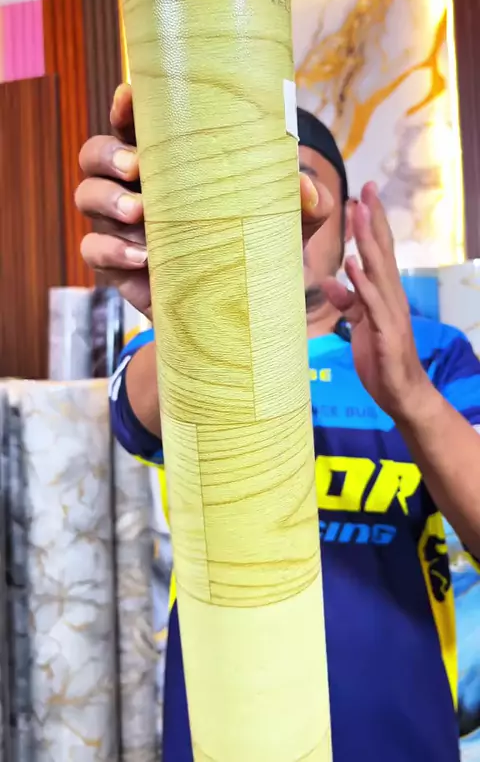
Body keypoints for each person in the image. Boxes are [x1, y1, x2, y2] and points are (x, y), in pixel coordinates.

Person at [76, 83, 480, 762]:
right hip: (223, 731)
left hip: (400, 731)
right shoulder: (179, 351)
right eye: (252, 189)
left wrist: (408, 391)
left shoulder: (433, 353)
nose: (274, 210)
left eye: (296, 184)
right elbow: (137, 415)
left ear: (346, 218)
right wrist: (203, 304)